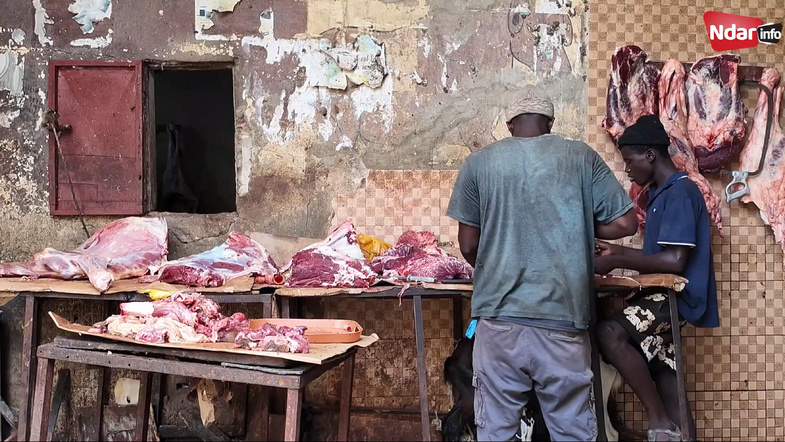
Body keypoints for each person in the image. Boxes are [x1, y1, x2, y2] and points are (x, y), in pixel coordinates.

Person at [446, 85, 638, 441]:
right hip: (563, 323)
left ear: (510, 126)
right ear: (550, 122)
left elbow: (469, 245)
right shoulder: (580, 157)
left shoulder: (479, 163)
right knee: (571, 429)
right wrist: (571, 221)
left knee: (497, 431)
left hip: (499, 322)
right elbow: (626, 223)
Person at [594, 115, 719, 442]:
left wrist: (619, 257)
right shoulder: (664, 193)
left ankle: (659, 422)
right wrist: (614, 252)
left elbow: (676, 261)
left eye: (629, 160)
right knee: (666, 374)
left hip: (677, 296)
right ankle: (678, 430)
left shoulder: (680, 192)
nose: (627, 169)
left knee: (609, 333)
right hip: (665, 295)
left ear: (650, 155)